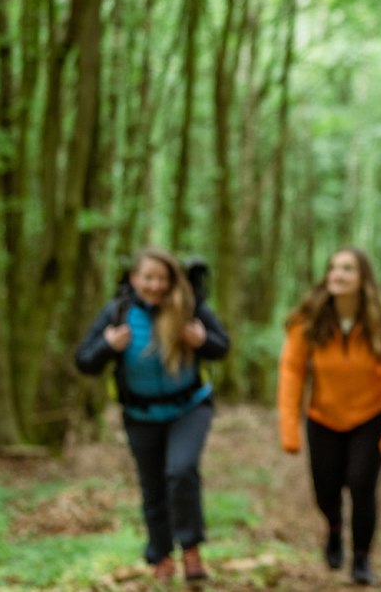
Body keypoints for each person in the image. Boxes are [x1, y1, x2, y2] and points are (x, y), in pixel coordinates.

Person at [75, 247, 231, 583]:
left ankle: (191, 548)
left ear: (173, 280)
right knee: (153, 486)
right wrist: (107, 346)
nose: (156, 285)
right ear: (134, 279)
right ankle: (161, 556)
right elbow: (84, 362)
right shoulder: (117, 312)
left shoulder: (191, 308)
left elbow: (222, 347)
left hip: (189, 408)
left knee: (181, 470)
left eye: (162, 278)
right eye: (148, 277)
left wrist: (202, 340)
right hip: (140, 413)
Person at [276, 246, 381, 586]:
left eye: (347, 269)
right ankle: (334, 527)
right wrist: (289, 427)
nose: (337, 274)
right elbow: (291, 372)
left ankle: (362, 559)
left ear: (362, 278)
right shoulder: (309, 319)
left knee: (363, 485)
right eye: (333, 268)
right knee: (326, 491)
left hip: (369, 416)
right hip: (323, 417)